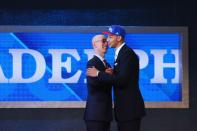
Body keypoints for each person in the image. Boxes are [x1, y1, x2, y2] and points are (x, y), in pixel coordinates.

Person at [87, 25, 146, 131]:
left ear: (119, 38)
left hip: (129, 110)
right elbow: (122, 77)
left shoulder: (127, 53)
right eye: (105, 39)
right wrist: (113, 74)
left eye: (110, 37)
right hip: (124, 111)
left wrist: (99, 74)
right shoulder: (120, 54)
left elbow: (122, 80)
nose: (108, 41)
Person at [84, 34, 113, 131]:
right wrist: (106, 75)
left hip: (105, 114)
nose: (106, 43)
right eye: (103, 41)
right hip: (95, 114)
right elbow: (94, 83)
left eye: (106, 41)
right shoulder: (92, 62)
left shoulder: (107, 64)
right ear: (94, 45)